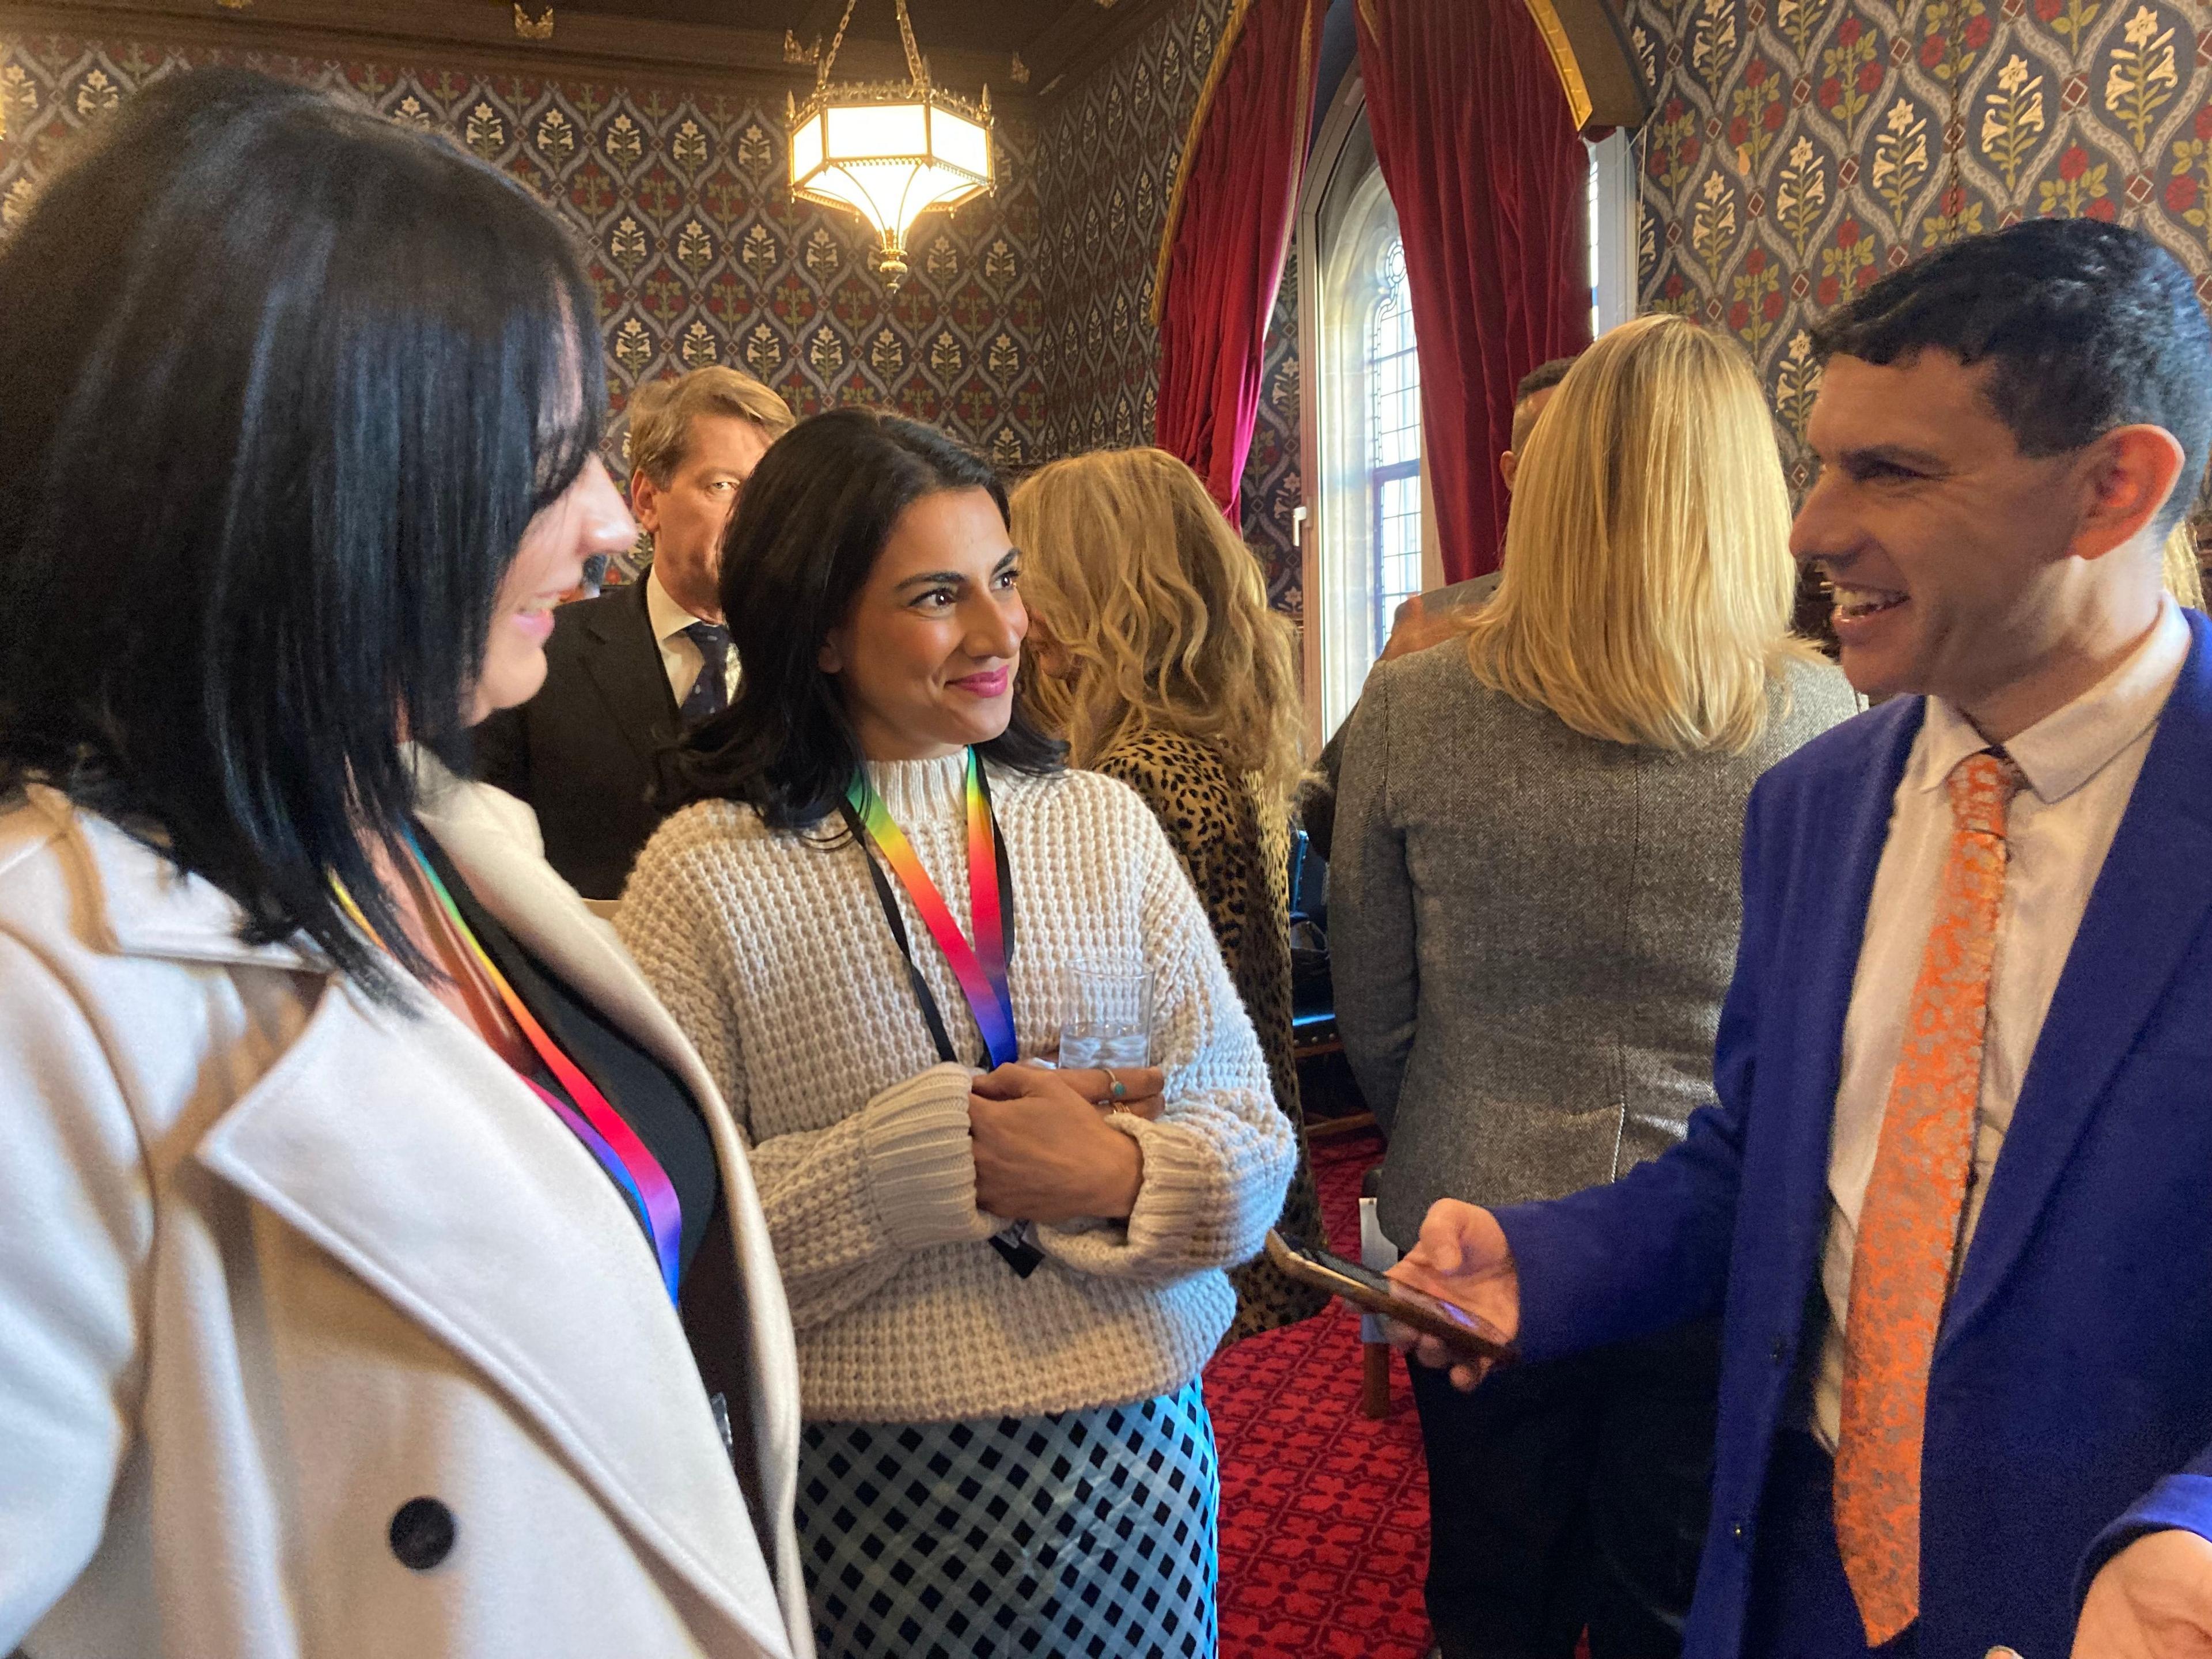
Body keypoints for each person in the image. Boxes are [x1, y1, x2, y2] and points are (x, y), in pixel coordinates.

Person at [0, 71, 810, 1659]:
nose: (612, 528)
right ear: (325, 472)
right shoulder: (38, 983)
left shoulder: (445, 841)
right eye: (555, 457)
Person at [1388, 218, 2212, 1659]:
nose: (1807, 530)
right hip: (1787, 1575)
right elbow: (1753, 1169)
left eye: (1886, 471)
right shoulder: (1817, 799)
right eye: (1818, 461)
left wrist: (2193, 1527)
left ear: (2109, 487)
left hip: (2098, 1603)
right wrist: (1552, 1262)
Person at [615, 409, 1296, 1659]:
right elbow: (666, 1243)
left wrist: (1131, 1172)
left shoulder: (1103, 824)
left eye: (1006, 580)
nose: (1000, 636)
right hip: (868, 1479)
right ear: (818, 626)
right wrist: (925, 1164)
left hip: (1137, 1453)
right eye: (939, 596)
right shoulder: (704, 876)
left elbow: (1257, 1140)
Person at [1333, 315, 1857, 1659]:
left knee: (1489, 1592)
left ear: (1546, 486)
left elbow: (1372, 1003)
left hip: (1471, 1200)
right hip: (1719, 1223)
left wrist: (1448, 1118)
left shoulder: (1408, 706)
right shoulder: (1828, 718)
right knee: (1669, 1600)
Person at [1009, 445, 1331, 1342]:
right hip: (1236, 1155)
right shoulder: (1212, 741)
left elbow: (1112, 1028)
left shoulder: (1136, 777)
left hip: (1177, 1173)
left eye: (1021, 578)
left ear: (1091, 594)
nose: (1014, 617)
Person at [474, 365, 795, 902]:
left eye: (771, 496)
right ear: (647, 500)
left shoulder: (821, 661)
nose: (755, 518)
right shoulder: (536, 656)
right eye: (723, 486)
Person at [1302, 356, 1577, 861]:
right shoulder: (1433, 625)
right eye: (1562, 456)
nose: (1581, 483)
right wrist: (1385, 685)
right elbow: (1323, 813)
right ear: (1513, 473)